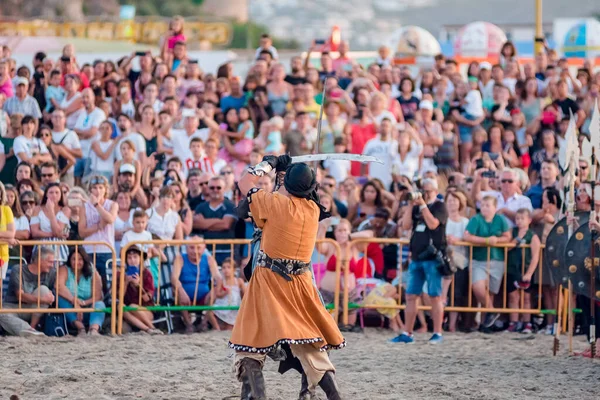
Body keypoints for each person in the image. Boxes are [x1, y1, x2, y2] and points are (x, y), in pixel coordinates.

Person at [230, 156, 344, 400]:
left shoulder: (274, 204)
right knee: (309, 346)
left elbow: (244, 183)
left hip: (268, 281)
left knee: (249, 344)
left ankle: (256, 396)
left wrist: (267, 164)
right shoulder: (313, 210)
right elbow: (293, 196)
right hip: (300, 283)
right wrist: (286, 174)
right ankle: (333, 396)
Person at [391, 178, 448, 344]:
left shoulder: (440, 206)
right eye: (424, 190)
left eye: (429, 191)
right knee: (410, 296)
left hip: (433, 258)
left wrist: (423, 205)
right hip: (416, 257)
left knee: (434, 296)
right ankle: (407, 333)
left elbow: (433, 224)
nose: (425, 193)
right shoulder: (415, 208)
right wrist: (410, 205)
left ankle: (437, 332)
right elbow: (406, 226)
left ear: (435, 191)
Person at [463, 195, 512, 331]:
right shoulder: (476, 219)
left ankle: (486, 324)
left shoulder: (500, 220)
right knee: (478, 287)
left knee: (489, 293)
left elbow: (507, 236)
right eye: (483, 205)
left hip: (496, 260)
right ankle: (492, 311)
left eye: (488, 205)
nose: (484, 208)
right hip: (479, 259)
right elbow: (467, 236)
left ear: (495, 208)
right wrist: (485, 241)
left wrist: (496, 240)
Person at [0, 245, 56, 336]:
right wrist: (43, 300)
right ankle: (29, 330)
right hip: (13, 307)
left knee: (44, 290)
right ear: (39, 260)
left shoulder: (51, 273)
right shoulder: (18, 269)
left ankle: (32, 328)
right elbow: (20, 296)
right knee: (1, 314)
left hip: (34, 309)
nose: (52, 265)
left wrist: (52, 297)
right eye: (50, 262)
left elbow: (54, 293)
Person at [172, 238, 221, 333]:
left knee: (214, 292)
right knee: (177, 292)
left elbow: (218, 277)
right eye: (191, 247)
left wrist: (215, 289)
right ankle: (188, 325)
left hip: (204, 295)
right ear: (186, 248)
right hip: (185, 294)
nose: (195, 251)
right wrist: (181, 291)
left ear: (204, 248)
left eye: (198, 248)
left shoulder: (209, 259)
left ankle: (204, 322)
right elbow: (174, 277)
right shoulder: (180, 258)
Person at [78, 175, 118, 291]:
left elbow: (110, 219)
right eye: (95, 188)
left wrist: (97, 205)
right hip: (89, 251)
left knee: (108, 286)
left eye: (101, 187)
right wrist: (99, 226)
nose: (98, 191)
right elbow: (82, 231)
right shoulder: (84, 207)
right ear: (90, 190)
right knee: (89, 285)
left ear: (106, 189)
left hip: (106, 250)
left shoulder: (112, 204)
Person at [506, 208, 541, 334]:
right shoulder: (512, 232)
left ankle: (527, 323)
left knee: (526, 298)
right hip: (512, 269)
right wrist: (517, 239)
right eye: (517, 219)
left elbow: (535, 256)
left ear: (529, 220)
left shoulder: (533, 236)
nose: (519, 221)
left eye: (522, 219)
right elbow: (507, 248)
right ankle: (513, 322)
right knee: (513, 296)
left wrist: (529, 273)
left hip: (525, 269)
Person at [57, 247, 105, 336]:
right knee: (60, 298)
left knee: (100, 304)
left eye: (80, 259)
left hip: (87, 308)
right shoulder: (64, 269)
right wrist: (74, 301)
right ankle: (80, 328)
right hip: (71, 309)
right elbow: (59, 287)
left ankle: (94, 330)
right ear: (69, 260)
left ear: (84, 260)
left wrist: (82, 303)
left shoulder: (92, 271)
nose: (76, 262)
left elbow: (98, 296)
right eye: (74, 259)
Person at [119, 245, 163, 335]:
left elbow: (147, 298)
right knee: (122, 307)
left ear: (140, 259)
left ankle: (151, 327)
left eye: (135, 257)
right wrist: (126, 283)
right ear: (126, 260)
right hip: (128, 312)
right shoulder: (121, 274)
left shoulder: (147, 274)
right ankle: (149, 329)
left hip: (146, 309)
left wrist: (138, 285)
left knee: (131, 306)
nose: (132, 260)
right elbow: (118, 297)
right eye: (129, 258)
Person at [213, 257, 245, 330]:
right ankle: (216, 328)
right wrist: (224, 293)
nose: (226, 270)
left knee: (230, 327)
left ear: (234, 269)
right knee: (210, 312)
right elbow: (217, 294)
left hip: (234, 304)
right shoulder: (221, 281)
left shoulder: (239, 281)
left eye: (228, 267)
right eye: (224, 268)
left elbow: (246, 294)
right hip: (223, 303)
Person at [0, 181, 17, 279]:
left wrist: (8, 239)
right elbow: (8, 236)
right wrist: (6, 240)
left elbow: (11, 233)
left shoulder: (6, 210)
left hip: (2, 256)